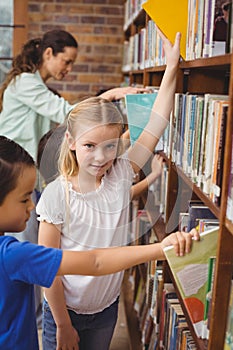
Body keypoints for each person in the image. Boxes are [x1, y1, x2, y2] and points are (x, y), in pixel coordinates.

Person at [36, 30, 182, 350]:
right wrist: (62, 324)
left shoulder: (120, 175)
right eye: (89, 145)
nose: (101, 157)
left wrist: (172, 67)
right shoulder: (56, 196)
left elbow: (157, 122)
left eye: (110, 146)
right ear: (71, 143)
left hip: (106, 310)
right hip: (63, 311)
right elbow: (48, 269)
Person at [0, 135, 199, 350]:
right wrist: (161, 249)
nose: (31, 206)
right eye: (24, 198)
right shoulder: (12, 255)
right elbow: (95, 262)